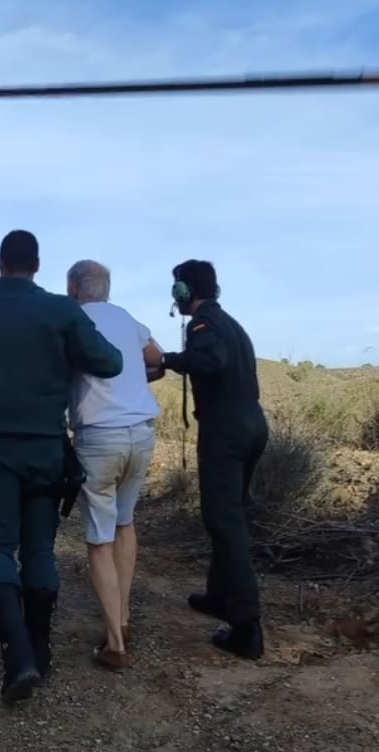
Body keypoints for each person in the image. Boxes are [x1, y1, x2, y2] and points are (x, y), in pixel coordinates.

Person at [0, 230, 124, 703]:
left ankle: (17, 656)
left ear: (1, 262)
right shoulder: (62, 311)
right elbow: (110, 362)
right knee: (40, 549)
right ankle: (40, 651)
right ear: (37, 266)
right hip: (46, 447)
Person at [145, 259, 269, 660]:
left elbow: (210, 360)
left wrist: (166, 360)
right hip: (250, 424)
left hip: (226, 430)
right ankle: (219, 596)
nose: (174, 297)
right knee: (228, 514)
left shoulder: (204, 325)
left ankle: (247, 628)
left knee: (224, 521)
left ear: (185, 291)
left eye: (176, 288)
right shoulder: (230, 322)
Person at [63, 259, 165, 672]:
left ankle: (115, 643)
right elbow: (157, 358)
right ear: (107, 288)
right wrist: (137, 383)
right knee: (126, 523)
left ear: (73, 289)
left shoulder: (72, 320)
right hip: (141, 432)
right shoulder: (127, 318)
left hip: (99, 437)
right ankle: (123, 615)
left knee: (99, 540)